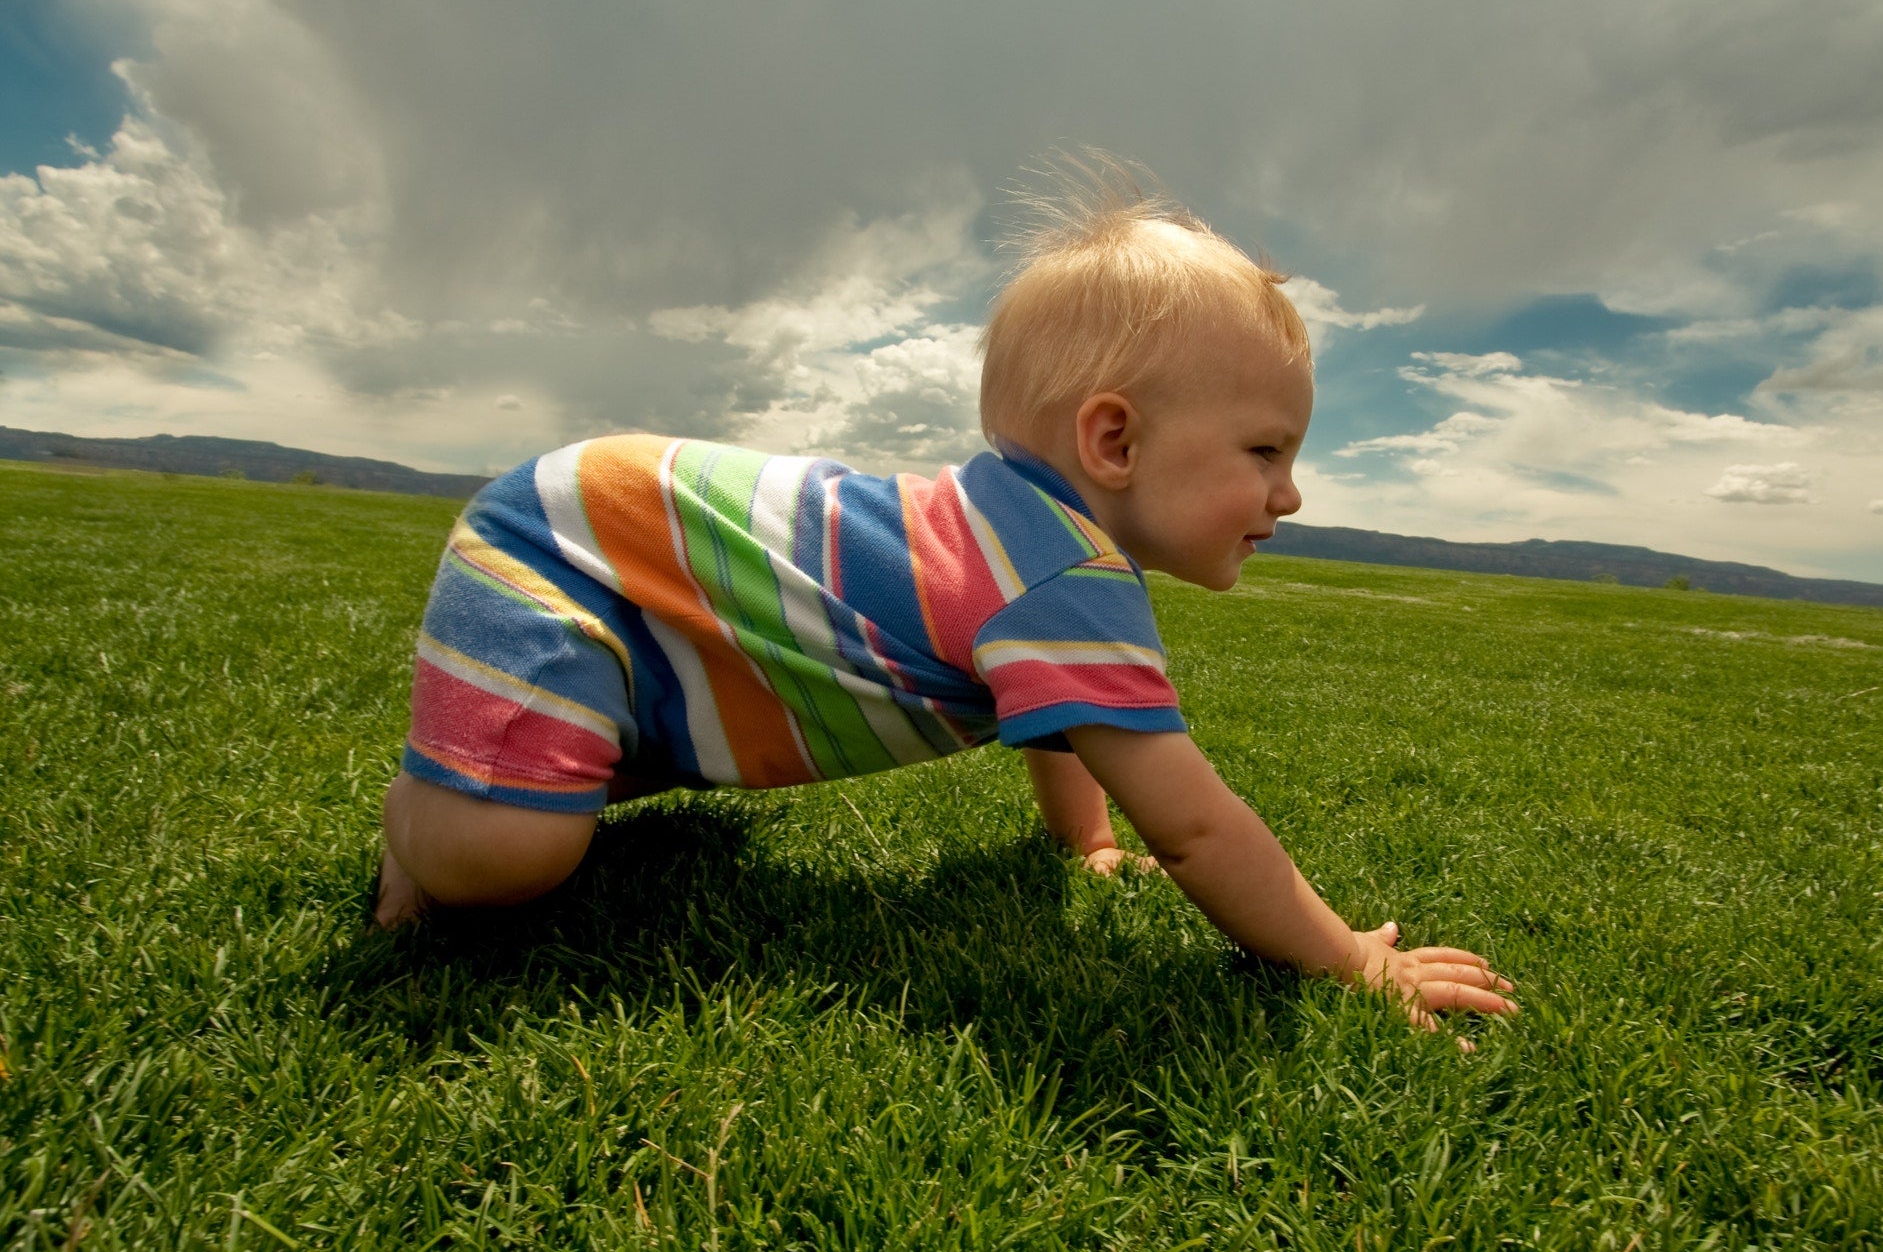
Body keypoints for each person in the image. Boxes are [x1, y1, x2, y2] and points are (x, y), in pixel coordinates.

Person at [376, 164, 1516, 1037]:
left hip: (625, 548)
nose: (1292, 491)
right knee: (500, 862)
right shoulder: (1057, 576)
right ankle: (419, 819)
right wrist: (1351, 959)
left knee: (570, 800)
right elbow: (1202, 826)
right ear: (1112, 440)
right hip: (566, 545)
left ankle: (520, 770)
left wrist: (1083, 841)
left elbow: (1064, 720)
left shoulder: (1035, 556)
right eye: (1264, 450)